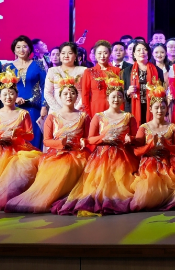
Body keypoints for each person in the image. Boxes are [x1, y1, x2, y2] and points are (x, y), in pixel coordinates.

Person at [54, 73, 138, 215]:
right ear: (107, 98)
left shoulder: (128, 116)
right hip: (102, 156)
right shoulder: (99, 117)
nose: (116, 99)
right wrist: (104, 138)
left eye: (119, 97)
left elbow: (137, 138)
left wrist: (130, 139)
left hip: (123, 155)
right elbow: (90, 139)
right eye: (113, 97)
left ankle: (115, 199)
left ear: (123, 99)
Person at [5, 81, 90, 213]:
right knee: (62, 167)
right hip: (57, 153)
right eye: (65, 94)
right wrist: (60, 143)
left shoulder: (83, 116)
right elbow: (46, 141)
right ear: (59, 97)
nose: (69, 96)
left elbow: (88, 137)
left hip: (79, 153)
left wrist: (84, 141)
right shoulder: (52, 117)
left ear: (77, 96)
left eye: (72, 93)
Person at [0, 71, 41, 209]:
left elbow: (30, 135)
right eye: (5, 94)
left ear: (16, 95)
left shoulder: (23, 113)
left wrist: (17, 132)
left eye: (11, 94)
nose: (8, 97)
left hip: (19, 149)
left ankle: (15, 199)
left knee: (20, 166)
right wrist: (1, 135)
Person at [129, 82, 175, 211]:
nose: (160, 111)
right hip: (149, 165)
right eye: (156, 108)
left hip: (167, 164)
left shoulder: (173, 127)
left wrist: (166, 144)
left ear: (166, 109)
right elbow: (137, 152)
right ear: (150, 109)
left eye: (163, 107)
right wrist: (150, 145)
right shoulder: (144, 128)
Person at [4, 35, 47, 150]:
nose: (21, 50)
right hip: (15, 108)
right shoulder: (8, 67)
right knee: (18, 141)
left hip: (35, 108)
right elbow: (4, 88)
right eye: (18, 47)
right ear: (14, 50)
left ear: (30, 49)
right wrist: (14, 99)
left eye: (24, 46)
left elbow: (45, 87)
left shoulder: (38, 65)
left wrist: (44, 106)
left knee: (34, 139)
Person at [123, 41, 166, 126]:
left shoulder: (158, 71)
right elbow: (121, 92)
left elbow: (162, 92)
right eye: (138, 50)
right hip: (133, 106)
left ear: (148, 53)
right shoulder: (127, 71)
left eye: (144, 49)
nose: (142, 52)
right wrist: (128, 92)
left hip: (152, 107)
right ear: (134, 54)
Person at [80, 40, 120, 120]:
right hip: (95, 108)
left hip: (113, 107)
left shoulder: (117, 71)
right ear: (95, 55)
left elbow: (120, 93)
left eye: (105, 53)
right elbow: (85, 94)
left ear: (110, 54)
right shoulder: (89, 72)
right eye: (99, 53)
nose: (102, 56)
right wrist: (87, 113)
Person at [44, 42, 87, 115]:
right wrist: (59, 110)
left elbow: (86, 92)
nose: (66, 56)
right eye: (63, 53)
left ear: (75, 56)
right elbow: (47, 93)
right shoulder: (52, 70)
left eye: (70, 53)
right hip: (56, 112)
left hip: (78, 111)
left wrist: (76, 109)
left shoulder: (83, 70)